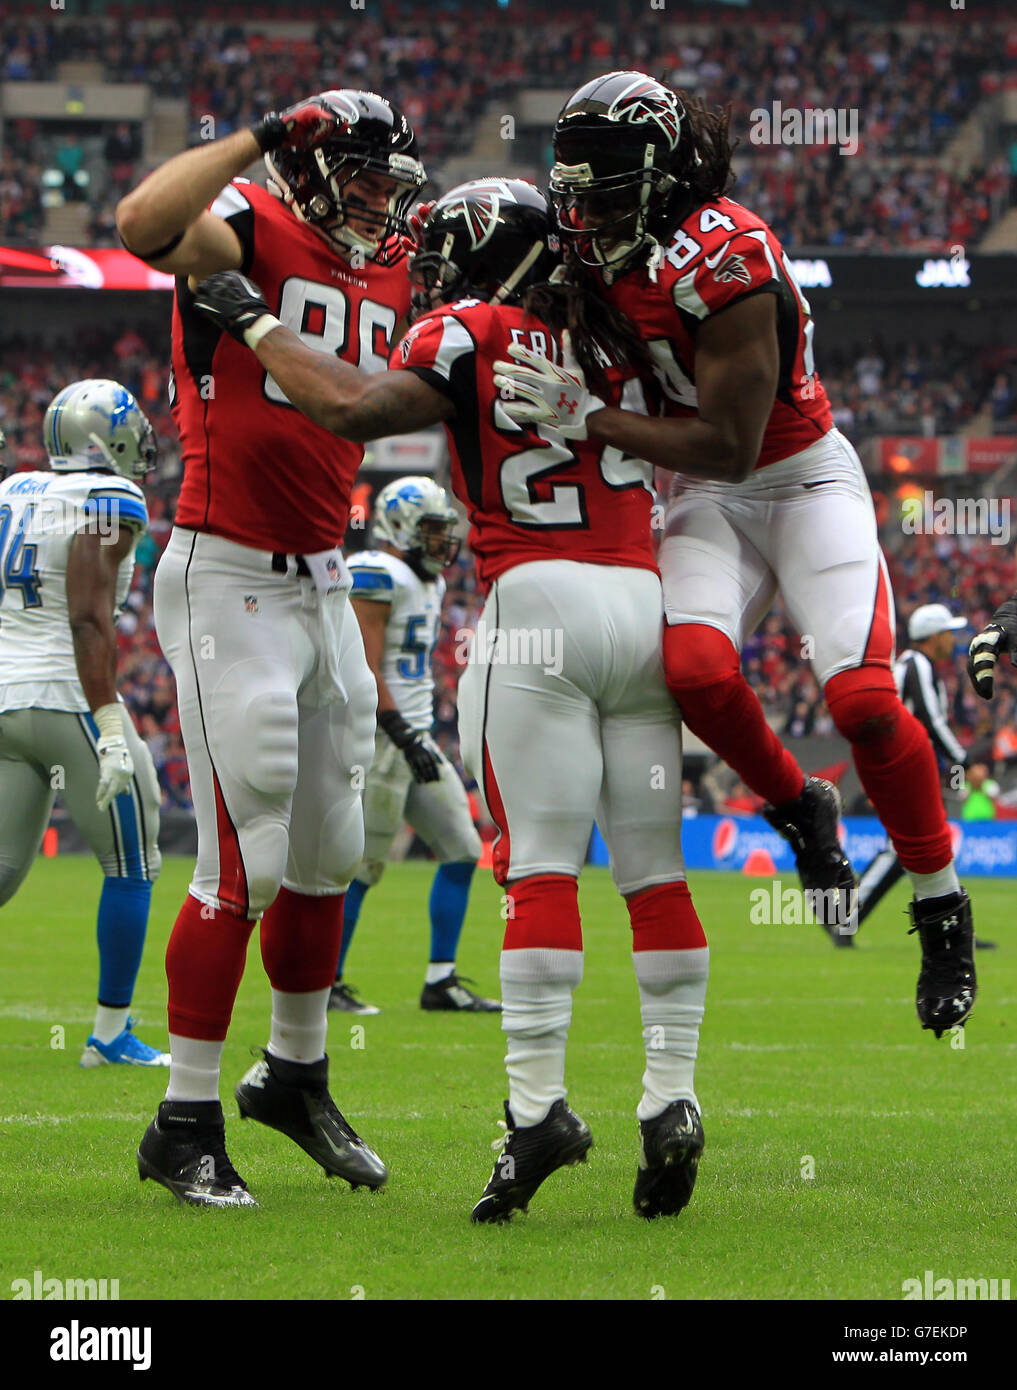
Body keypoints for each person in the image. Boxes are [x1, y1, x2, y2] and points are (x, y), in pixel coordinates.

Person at [192, 177, 709, 1224]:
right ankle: (671, 1098)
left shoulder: (468, 326)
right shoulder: (617, 341)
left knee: (537, 870)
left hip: (537, 607)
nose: (430, 269)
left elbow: (344, 407)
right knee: (655, 875)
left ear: (486, 253)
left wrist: (247, 314)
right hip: (645, 602)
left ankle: (537, 1115)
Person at [496, 71, 976, 1039]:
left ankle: (938, 900)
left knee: (865, 702)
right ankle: (802, 807)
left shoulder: (726, 251)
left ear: (663, 172)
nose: (581, 195)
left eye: (606, 174)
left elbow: (731, 440)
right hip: (703, 491)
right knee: (695, 671)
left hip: (793, 475)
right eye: (573, 173)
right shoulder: (592, 249)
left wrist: (592, 418)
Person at [116, 89, 426, 1208]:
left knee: (328, 854)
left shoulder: (391, 262)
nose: (385, 199)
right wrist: (258, 135)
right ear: (311, 164)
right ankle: (183, 1118)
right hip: (226, 570)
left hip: (325, 578)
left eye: (395, 178)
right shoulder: (247, 219)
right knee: (237, 859)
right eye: (366, 173)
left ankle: (294, 1075)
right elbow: (141, 224)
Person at [0, 379, 165, 1065]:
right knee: (133, 861)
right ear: (110, 437)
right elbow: (88, 617)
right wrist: (107, 723)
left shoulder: (13, 489)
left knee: (3, 871)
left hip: (5, 696)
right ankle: (108, 1033)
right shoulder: (113, 497)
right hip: (64, 695)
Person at [330, 475, 496, 1016]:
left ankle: (440, 981)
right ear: (399, 526)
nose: (441, 541)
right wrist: (400, 731)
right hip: (381, 738)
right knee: (362, 866)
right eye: (430, 529)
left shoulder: (429, 582)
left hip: (414, 735)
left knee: (463, 849)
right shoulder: (377, 572)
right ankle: (326, 983)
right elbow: (361, 664)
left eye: (443, 529)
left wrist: (415, 733)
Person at [854, 604, 993, 947]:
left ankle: (951, 926)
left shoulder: (910, 664)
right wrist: (963, 763)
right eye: (948, 632)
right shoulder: (917, 665)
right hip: (907, 768)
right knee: (910, 849)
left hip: (906, 767)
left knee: (918, 847)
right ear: (933, 636)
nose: (952, 639)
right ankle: (850, 914)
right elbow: (932, 722)